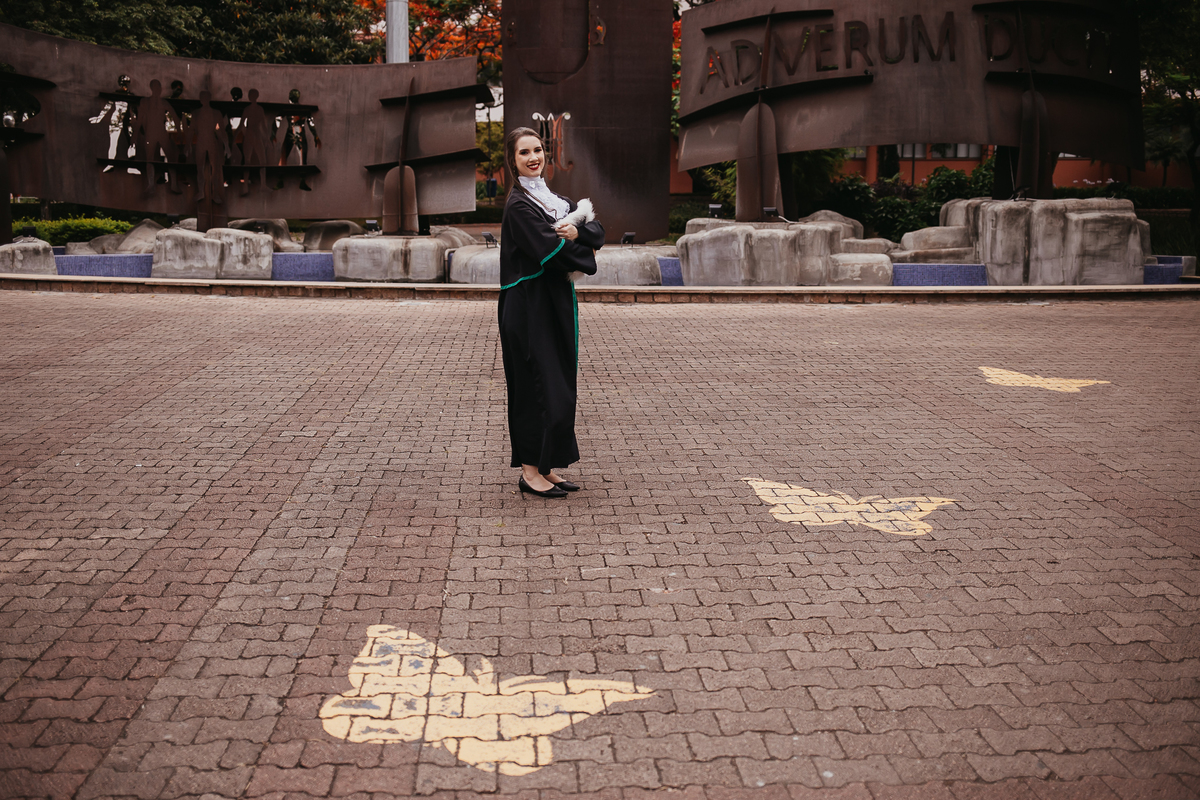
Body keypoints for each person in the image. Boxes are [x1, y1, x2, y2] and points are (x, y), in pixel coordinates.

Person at [498, 127, 604, 498]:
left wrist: (579, 235)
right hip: (528, 304)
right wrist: (587, 254)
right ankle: (530, 472)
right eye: (524, 152)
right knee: (533, 386)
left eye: (538, 149)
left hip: (555, 300)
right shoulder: (520, 206)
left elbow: (597, 229)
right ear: (512, 161)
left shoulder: (554, 199)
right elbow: (549, 250)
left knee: (558, 385)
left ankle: (546, 465)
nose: (533, 157)